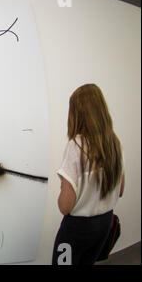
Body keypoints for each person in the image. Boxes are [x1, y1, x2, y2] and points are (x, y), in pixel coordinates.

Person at [52, 84, 125, 265]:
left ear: (77, 114)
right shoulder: (114, 143)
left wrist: (64, 185)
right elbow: (121, 190)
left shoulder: (75, 146)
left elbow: (65, 207)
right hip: (104, 224)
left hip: (77, 231)